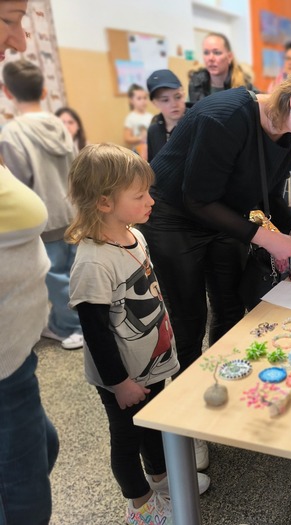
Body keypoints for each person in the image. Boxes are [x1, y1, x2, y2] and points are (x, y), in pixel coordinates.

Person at [140, 57, 291, 467]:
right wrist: (268, 238)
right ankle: (188, 422)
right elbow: (196, 199)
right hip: (175, 217)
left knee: (229, 307)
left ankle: (222, 386)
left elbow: (268, 192)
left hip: (226, 213)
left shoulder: (289, 132)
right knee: (188, 321)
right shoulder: (224, 118)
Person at [66, 144, 210, 525]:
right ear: (104, 202)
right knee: (127, 438)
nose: (151, 200)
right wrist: (119, 383)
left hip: (151, 363)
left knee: (152, 424)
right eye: (140, 195)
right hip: (123, 377)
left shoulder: (135, 236)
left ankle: (160, 479)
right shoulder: (94, 262)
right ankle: (140, 505)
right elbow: (95, 332)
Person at [0, 6, 59, 523]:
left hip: (16, 355)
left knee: (45, 446)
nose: (20, 39)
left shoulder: (15, 133)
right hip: (4, 363)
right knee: (24, 502)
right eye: (8, 19)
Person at [0, 58, 82, 350]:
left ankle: (73, 328)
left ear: (7, 92)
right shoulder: (59, 124)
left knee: (55, 277)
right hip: (72, 212)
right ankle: (64, 323)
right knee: (73, 272)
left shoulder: (12, 133)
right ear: (44, 91)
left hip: (44, 218)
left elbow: (18, 184)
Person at [188, 32, 256, 102]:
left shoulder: (245, 85)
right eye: (206, 53)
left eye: (217, 53)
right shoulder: (196, 84)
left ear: (229, 57)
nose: (210, 58)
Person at [146, 69, 188, 162]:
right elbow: (152, 164)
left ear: (184, 95)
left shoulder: (196, 123)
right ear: (155, 103)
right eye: (165, 100)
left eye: (178, 97)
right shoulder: (153, 131)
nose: (174, 104)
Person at [123, 83, 153, 159]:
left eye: (145, 98)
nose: (143, 101)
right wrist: (140, 138)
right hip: (138, 153)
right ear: (131, 101)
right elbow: (127, 138)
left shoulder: (151, 116)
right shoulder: (130, 118)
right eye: (139, 98)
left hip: (151, 151)